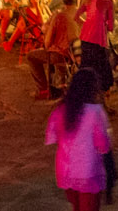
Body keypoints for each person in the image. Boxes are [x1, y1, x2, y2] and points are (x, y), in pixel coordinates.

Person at [46, 68, 113, 211]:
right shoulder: (95, 112)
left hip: (66, 170)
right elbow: (103, 145)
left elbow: (52, 137)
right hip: (88, 171)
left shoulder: (60, 109)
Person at [29, 0, 82, 99]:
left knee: (31, 56)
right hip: (77, 55)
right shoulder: (82, 16)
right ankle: (58, 85)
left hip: (61, 55)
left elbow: (47, 43)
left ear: (64, 1)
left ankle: (43, 90)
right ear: (77, 1)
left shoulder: (59, 16)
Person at [80, 0, 118, 92]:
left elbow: (81, 15)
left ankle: (89, 105)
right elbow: (111, 27)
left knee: (88, 75)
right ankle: (101, 106)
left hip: (86, 40)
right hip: (98, 41)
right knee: (101, 76)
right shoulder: (109, 1)